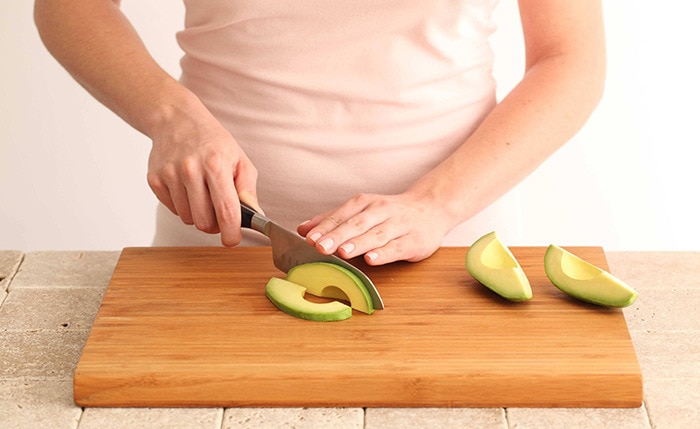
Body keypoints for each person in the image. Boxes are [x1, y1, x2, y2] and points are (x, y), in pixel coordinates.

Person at [34, 0, 605, 266]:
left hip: (451, 245)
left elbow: (569, 57)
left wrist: (435, 205)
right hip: (217, 236)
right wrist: (169, 117)